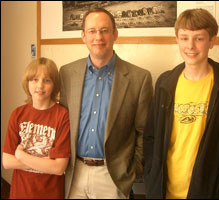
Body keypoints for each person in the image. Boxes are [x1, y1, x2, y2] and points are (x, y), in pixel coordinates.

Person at [143, 8, 219, 199]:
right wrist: (151, 175)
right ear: (177, 40)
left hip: (206, 190)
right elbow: (151, 135)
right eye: (184, 38)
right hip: (163, 190)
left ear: (211, 41)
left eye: (198, 38)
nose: (190, 46)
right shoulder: (165, 83)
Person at [59, 8, 153, 199]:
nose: (98, 37)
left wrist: (132, 170)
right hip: (74, 173)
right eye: (92, 31)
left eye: (104, 30)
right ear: (83, 36)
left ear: (115, 34)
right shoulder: (67, 73)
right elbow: (62, 123)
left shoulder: (139, 78)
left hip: (113, 176)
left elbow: (144, 132)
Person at [2, 57, 71, 199]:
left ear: (54, 85)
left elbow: (59, 168)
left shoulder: (62, 115)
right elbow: (7, 161)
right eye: (34, 79)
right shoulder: (17, 114)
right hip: (20, 193)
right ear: (27, 83)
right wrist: (46, 162)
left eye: (47, 80)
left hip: (51, 193)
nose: (40, 86)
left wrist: (22, 156)